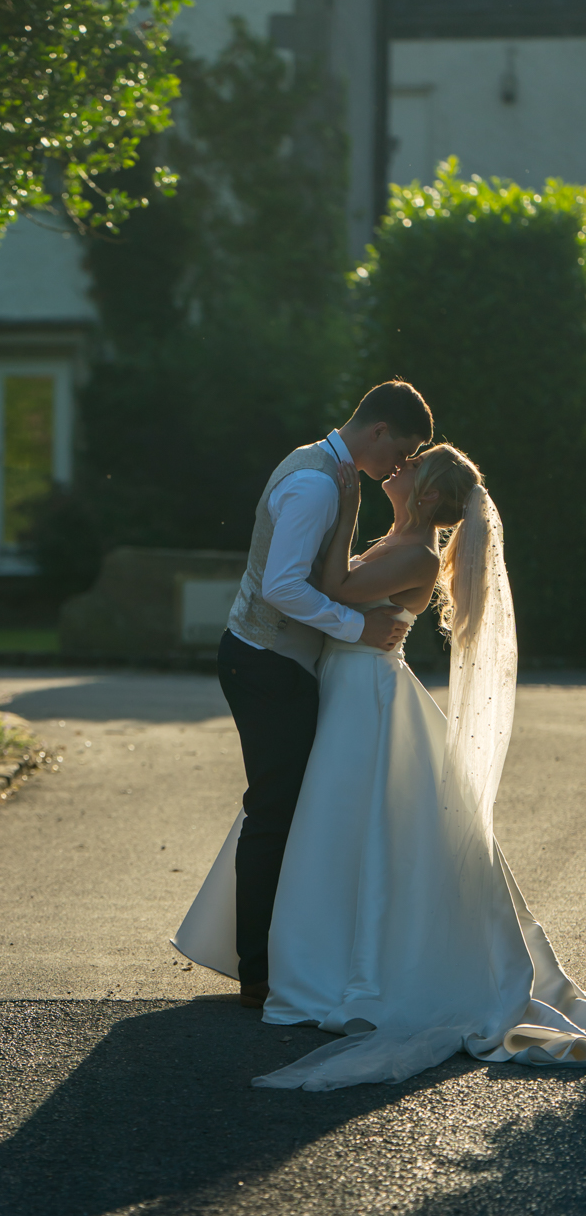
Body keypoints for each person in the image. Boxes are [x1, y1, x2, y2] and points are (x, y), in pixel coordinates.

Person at [175, 440, 586, 1089]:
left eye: (413, 466)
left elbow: (334, 587)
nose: (399, 466)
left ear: (425, 495)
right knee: (321, 818)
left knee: (340, 821)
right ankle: (296, 955)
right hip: (348, 684)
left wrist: (343, 509)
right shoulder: (401, 541)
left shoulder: (414, 553)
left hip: (364, 694)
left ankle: (323, 965)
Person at [203, 381, 432, 1009]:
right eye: (400, 450)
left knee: (290, 810)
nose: (399, 466)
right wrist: (359, 627)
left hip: (281, 664)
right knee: (275, 811)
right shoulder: (315, 482)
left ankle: (280, 955)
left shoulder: (334, 473)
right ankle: (258, 972)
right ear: (379, 431)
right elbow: (282, 586)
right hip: (265, 662)